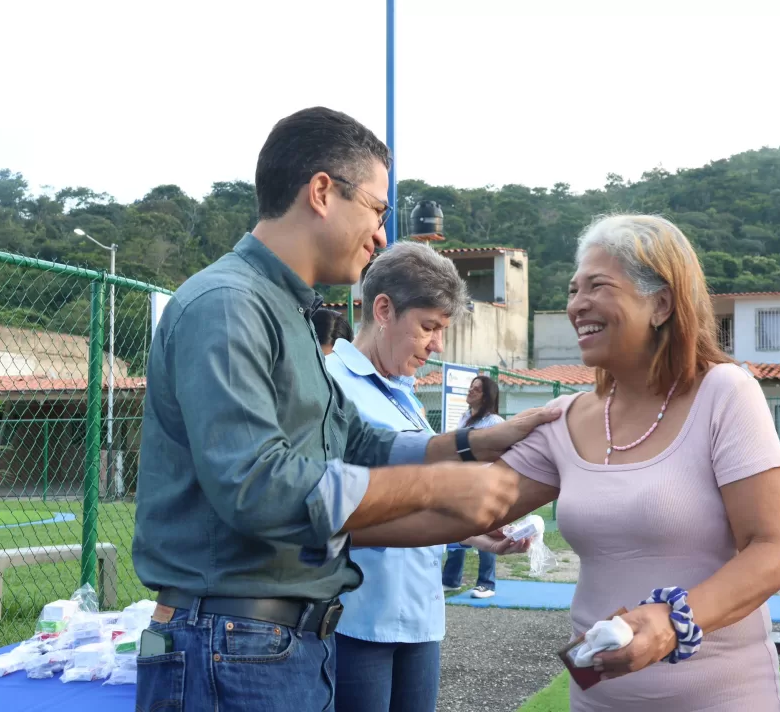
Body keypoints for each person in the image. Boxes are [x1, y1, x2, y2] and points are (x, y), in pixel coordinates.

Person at [131, 106, 559, 712]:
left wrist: (474, 445)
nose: (383, 234)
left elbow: (360, 443)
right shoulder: (228, 305)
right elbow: (257, 485)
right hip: (232, 642)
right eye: (379, 210)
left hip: (278, 642)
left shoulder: (290, 312)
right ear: (323, 192)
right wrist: (437, 488)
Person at [350, 214, 780, 712]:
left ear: (661, 303)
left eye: (597, 286)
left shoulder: (725, 393)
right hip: (598, 698)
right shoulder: (565, 418)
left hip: (721, 696)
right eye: (572, 289)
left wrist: (673, 621)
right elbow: (463, 511)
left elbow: (774, 549)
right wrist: (314, 526)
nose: (576, 304)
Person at [324, 241, 527, 712]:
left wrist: (475, 531)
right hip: (358, 617)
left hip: (419, 613)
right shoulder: (332, 385)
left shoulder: (406, 395)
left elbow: (423, 496)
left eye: (442, 330)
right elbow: (329, 506)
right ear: (383, 310)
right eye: (428, 327)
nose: (437, 345)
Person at [442, 374, 506, 599]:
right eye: (470, 387)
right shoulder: (464, 418)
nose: (470, 391)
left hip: (484, 484)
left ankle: (486, 584)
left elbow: (501, 454)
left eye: (476, 389)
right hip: (462, 482)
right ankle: (450, 580)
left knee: (484, 529)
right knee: (456, 529)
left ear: (486, 396)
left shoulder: (494, 422)